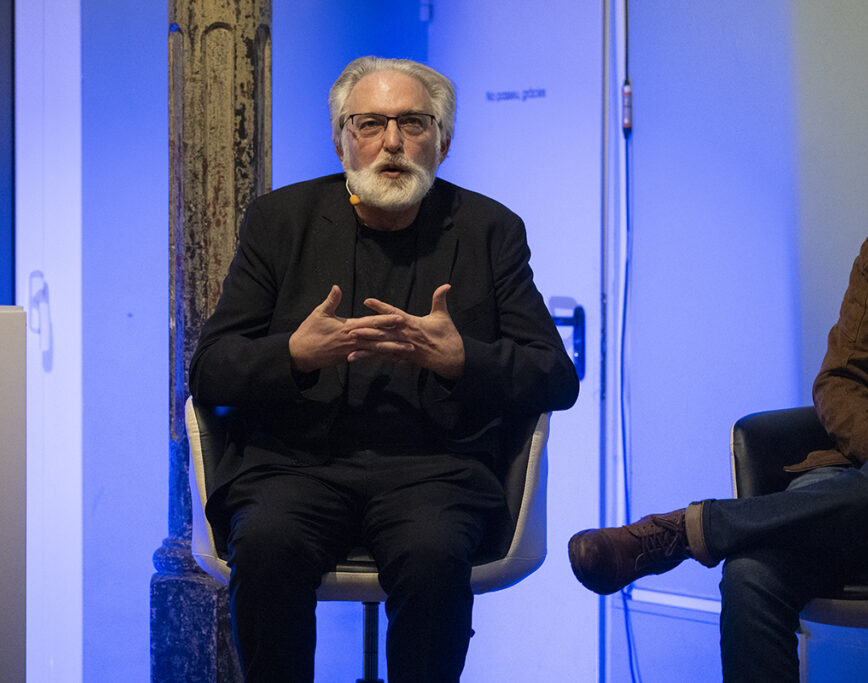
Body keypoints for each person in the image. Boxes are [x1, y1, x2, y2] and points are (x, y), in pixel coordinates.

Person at [189, 56, 579, 683]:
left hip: (437, 469)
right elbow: (210, 371)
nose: (392, 142)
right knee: (266, 544)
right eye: (369, 123)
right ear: (341, 140)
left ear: (443, 143)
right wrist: (294, 354)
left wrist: (463, 359)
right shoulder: (279, 221)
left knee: (432, 554)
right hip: (294, 463)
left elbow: (556, 377)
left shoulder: (490, 230)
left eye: (413, 123)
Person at [568, 201, 868, 681]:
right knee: (750, 572)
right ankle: (705, 530)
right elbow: (838, 380)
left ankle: (689, 530)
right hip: (863, 478)